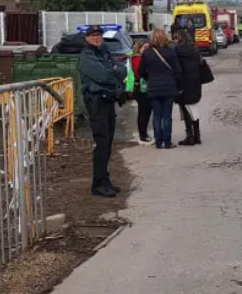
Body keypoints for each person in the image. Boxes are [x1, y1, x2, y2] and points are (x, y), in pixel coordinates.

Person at [77, 24, 127, 197]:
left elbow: (123, 70)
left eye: (99, 35)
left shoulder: (103, 52)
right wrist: (114, 71)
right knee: (102, 142)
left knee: (108, 142)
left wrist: (114, 71)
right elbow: (104, 76)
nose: (97, 38)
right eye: (93, 35)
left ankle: (105, 180)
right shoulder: (87, 55)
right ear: (87, 38)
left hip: (108, 100)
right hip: (96, 102)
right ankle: (98, 184)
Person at [138, 30, 182, 149]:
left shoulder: (147, 53)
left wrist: (149, 78)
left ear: (153, 38)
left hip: (153, 87)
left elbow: (141, 70)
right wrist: (177, 85)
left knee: (157, 115)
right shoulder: (170, 52)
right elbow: (177, 71)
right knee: (167, 115)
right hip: (169, 87)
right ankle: (167, 142)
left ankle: (158, 142)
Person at [173, 28, 205, 146]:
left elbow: (177, 69)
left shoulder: (177, 51)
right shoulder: (195, 50)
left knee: (186, 111)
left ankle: (190, 136)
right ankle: (197, 135)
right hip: (195, 83)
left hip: (184, 84)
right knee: (194, 109)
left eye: (176, 38)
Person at [127, 40, 153, 145]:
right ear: (139, 48)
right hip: (140, 87)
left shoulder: (140, 57)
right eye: (145, 47)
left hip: (142, 87)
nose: (147, 49)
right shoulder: (137, 58)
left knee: (145, 111)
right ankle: (143, 134)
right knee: (144, 111)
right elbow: (138, 72)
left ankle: (144, 133)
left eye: (148, 47)